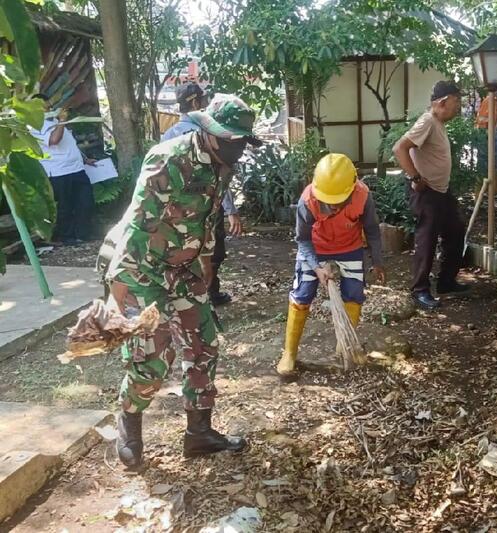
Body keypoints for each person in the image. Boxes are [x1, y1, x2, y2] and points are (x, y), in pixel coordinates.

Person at [102, 94, 263, 470]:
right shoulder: (168, 159)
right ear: (208, 131)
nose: (236, 148)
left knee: (203, 346)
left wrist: (206, 263)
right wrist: (118, 289)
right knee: (152, 359)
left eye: (241, 141)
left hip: (185, 270)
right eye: (230, 139)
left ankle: (198, 433)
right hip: (145, 272)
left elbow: (208, 218)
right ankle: (129, 422)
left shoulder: (223, 163)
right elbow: (139, 224)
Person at [276, 154, 385, 376]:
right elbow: (302, 240)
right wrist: (316, 267)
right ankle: (289, 353)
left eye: (338, 201)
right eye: (328, 201)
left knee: (354, 294)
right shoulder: (307, 201)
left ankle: (345, 344)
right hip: (314, 247)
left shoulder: (363, 196)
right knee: (302, 293)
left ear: (352, 188)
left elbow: (372, 230)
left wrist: (378, 261)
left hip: (350, 247)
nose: (332, 206)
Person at [162, 82, 242, 306]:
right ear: (196, 103)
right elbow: (217, 180)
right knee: (213, 253)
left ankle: (188, 297)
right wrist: (230, 211)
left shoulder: (168, 135)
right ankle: (208, 295)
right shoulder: (206, 134)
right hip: (205, 207)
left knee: (180, 254)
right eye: (203, 100)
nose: (206, 105)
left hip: (175, 212)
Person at [393, 81, 469, 310]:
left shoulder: (438, 122)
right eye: (457, 101)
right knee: (427, 240)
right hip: (428, 193)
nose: (459, 107)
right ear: (442, 102)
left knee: (455, 232)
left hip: (441, 191)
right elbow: (399, 148)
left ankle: (446, 281)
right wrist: (415, 178)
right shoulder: (427, 121)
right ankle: (419, 290)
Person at [29, 94, 96, 245]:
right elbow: (54, 140)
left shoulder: (55, 122)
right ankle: (66, 237)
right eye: (44, 108)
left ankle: (83, 234)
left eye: (49, 107)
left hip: (77, 169)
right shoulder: (33, 127)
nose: (49, 110)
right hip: (58, 172)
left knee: (85, 202)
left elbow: (70, 143)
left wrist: (85, 159)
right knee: (65, 206)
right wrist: (62, 121)